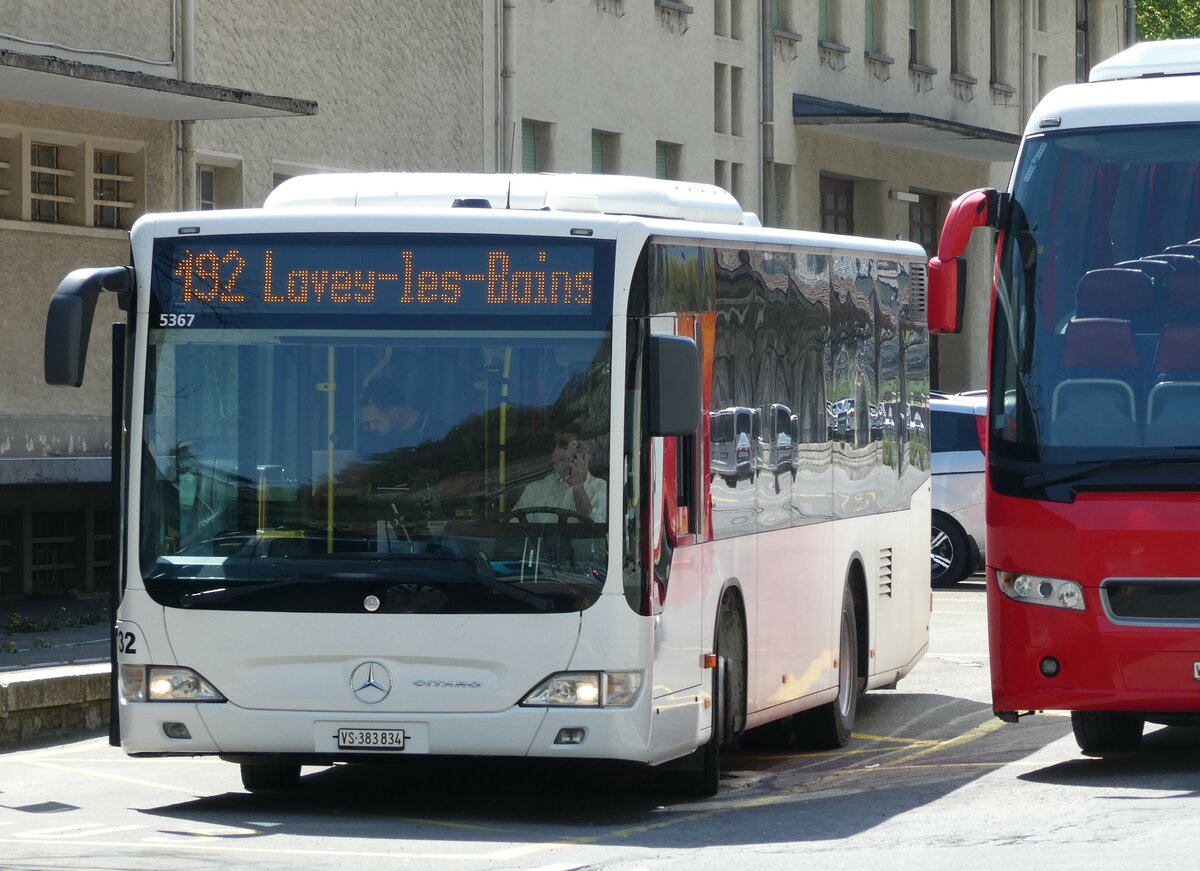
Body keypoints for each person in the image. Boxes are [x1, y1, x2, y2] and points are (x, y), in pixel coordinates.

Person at [513, 423, 607, 523]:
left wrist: (578, 488)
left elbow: (603, 534)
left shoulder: (602, 490)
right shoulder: (534, 491)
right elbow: (513, 530)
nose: (556, 452)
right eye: (553, 446)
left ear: (584, 453)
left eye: (564, 445)